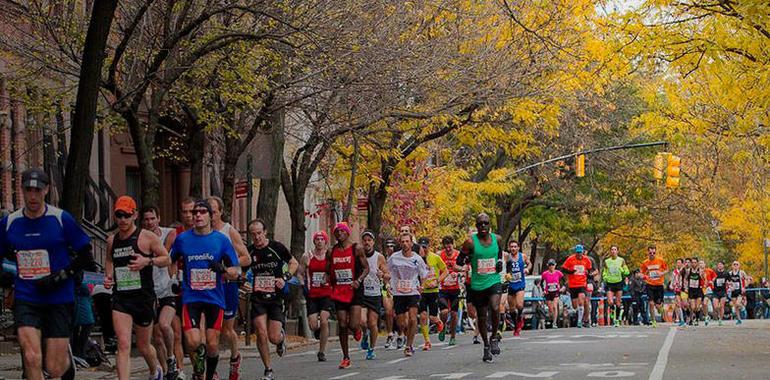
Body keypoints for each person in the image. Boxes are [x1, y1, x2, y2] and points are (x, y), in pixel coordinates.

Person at [0, 169, 96, 379]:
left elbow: (86, 257)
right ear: (22, 191)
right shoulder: (10, 223)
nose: (33, 195)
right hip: (27, 297)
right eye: (28, 190)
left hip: (58, 298)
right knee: (32, 357)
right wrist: (5, 278)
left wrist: (60, 276)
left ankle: (65, 360)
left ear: (46, 190)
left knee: (54, 367)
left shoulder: (61, 219)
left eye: (37, 190)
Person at [170, 200, 240, 380]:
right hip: (191, 297)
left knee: (212, 343)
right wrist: (174, 278)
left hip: (214, 298)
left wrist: (223, 270)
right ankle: (199, 356)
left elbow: (236, 270)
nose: (198, 215)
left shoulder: (221, 240)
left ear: (211, 216)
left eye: (202, 212)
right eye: (195, 213)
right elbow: (170, 260)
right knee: (193, 340)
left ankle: (209, 375)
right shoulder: (183, 239)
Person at [105, 196, 171, 380]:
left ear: (134, 215)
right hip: (121, 299)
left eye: (126, 215)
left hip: (143, 298)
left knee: (143, 346)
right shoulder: (112, 240)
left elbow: (167, 259)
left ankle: (154, 369)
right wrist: (108, 276)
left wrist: (147, 261)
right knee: (123, 344)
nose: (123, 220)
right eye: (119, 215)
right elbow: (109, 260)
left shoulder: (147, 237)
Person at [246, 218, 297, 380]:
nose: (257, 237)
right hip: (258, 297)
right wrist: (245, 283)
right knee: (260, 332)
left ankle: (281, 339)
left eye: (259, 233)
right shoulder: (249, 252)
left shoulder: (277, 247)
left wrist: (285, 277)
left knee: (273, 337)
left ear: (265, 232)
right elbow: (241, 272)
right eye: (253, 235)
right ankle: (268, 369)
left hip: (276, 297)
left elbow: (293, 262)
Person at [208, 197, 251, 380]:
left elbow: (246, 258)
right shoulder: (201, 233)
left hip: (227, 285)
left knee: (226, 330)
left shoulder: (229, 231)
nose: (209, 216)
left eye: (213, 212)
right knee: (211, 330)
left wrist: (227, 265)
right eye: (206, 212)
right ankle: (213, 370)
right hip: (208, 287)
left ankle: (235, 358)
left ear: (220, 212)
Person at [455, 213, 504, 362]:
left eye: (486, 223)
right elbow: (459, 260)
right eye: (480, 224)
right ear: (476, 227)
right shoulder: (470, 242)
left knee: (495, 307)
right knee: (481, 316)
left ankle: (494, 336)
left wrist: (500, 262)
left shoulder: (498, 239)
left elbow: (499, 253)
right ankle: (486, 345)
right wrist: (466, 261)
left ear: (490, 225)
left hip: (494, 279)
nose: (483, 226)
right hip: (477, 283)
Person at [141, 205, 181, 380]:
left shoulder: (169, 233)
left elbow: (166, 255)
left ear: (158, 218)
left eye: (152, 218)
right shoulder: (139, 238)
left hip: (167, 289)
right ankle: (166, 372)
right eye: (146, 219)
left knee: (165, 325)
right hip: (150, 291)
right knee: (156, 338)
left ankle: (171, 358)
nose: (150, 222)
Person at [329, 222, 370, 369]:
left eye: (341, 231)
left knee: (353, 324)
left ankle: (358, 330)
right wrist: (326, 280)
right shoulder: (331, 251)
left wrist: (358, 280)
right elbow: (329, 270)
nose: (339, 233)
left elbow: (366, 268)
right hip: (339, 291)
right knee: (342, 324)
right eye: (336, 232)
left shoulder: (356, 248)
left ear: (347, 233)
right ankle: (346, 357)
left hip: (354, 290)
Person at [388, 232, 430, 357]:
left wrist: (422, 286)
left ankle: (408, 346)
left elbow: (423, 274)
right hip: (398, 292)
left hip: (413, 291)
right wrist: (387, 284)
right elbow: (386, 270)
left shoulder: (417, 259)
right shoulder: (394, 258)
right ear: (400, 244)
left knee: (412, 318)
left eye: (407, 241)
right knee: (402, 323)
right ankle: (408, 336)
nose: (405, 244)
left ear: (412, 243)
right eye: (403, 241)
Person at [298, 230, 333, 361]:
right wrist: (303, 286)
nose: (319, 242)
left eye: (321, 239)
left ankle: (321, 352)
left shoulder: (329, 256)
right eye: (317, 239)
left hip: (326, 294)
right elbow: (300, 273)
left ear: (325, 242)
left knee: (324, 320)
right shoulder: (307, 256)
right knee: (313, 325)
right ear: (314, 241)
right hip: (312, 294)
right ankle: (319, 331)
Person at [358, 230, 389, 359]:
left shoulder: (379, 257)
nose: (367, 242)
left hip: (375, 293)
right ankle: (365, 334)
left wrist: (383, 275)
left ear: (373, 242)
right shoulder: (358, 256)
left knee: (372, 323)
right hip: (361, 293)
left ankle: (372, 348)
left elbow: (388, 274)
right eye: (364, 240)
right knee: (362, 321)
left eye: (369, 240)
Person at [417, 236, 446, 350]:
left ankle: (439, 323)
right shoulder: (416, 259)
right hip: (422, 291)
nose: (423, 249)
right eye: (421, 247)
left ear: (429, 246)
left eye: (425, 246)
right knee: (423, 316)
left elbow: (445, 271)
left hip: (433, 291)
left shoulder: (435, 257)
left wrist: (437, 281)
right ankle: (427, 341)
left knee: (433, 317)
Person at [561, 244, 593, 329]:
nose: (579, 254)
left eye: (580, 252)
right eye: (578, 253)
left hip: (582, 283)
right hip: (572, 285)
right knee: (575, 306)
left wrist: (589, 275)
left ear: (583, 252)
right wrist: (570, 272)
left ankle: (580, 321)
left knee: (581, 300)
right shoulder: (570, 259)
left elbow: (590, 270)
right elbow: (563, 269)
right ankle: (582, 316)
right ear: (576, 252)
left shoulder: (587, 260)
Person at [438, 236, 461, 345]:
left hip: (455, 288)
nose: (448, 249)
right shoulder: (440, 255)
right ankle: (442, 327)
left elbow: (464, 266)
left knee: (454, 314)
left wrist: (460, 273)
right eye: (446, 247)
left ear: (453, 245)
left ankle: (453, 336)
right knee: (444, 312)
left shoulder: (458, 255)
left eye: (450, 247)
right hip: (443, 288)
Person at [639, 245, 668, 327]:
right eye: (650, 252)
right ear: (648, 252)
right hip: (650, 285)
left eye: (654, 253)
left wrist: (661, 273)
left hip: (659, 285)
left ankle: (660, 309)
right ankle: (653, 321)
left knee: (658, 306)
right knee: (651, 303)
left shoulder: (660, 260)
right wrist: (645, 276)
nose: (652, 254)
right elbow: (641, 273)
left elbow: (666, 269)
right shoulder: (645, 262)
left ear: (656, 252)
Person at [506, 240, 530, 336]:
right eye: (511, 247)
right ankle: (516, 326)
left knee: (519, 305)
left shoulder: (523, 256)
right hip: (510, 284)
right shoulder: (507, 257)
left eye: (515, 246)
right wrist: (506, 275)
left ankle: (520, 317)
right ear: (509, 248)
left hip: (520, 283)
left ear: (518, 248)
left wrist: (527, 268)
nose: (513, 248)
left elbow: (529, 263)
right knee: (511, 309)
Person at [602, 246, 629, 327]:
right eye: (612, 250)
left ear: (617, 251)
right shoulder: (607, 261)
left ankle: (616, 320)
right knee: (610, 301)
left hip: (619, 283)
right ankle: (612, 310)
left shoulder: (621, 260)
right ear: (610, 251)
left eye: (615, 250)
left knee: (618, 303)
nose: (613, 251)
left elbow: (627, 272)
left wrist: (623, 271)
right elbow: (605, 271)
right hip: (610, 283)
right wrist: (605, 277)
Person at [380, 237, 398, 349]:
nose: (389, 248)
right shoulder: (382, 258)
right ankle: (390, 333)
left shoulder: (399, 258)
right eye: (387, 246)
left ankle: (401, 334)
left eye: (392, 246)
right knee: (388, 312)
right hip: (386, 287)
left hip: (399, 288)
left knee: (399, 315)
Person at [541, 259, 563, 328]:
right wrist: (543, 290)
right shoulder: (545, 274)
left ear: (555, 265)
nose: (551, 266)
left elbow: (564, 281)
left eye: (552, 265)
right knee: (550, 309)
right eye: (550, 265)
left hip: (556, 292)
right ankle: (552, 318)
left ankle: (554, 323)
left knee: (554, 306)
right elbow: (541, 283)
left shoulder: (558, 273)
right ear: (548, 265)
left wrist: (563, 287)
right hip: (548, 292)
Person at [681, 257, 704, 326]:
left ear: (697, 263)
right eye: (692, 262)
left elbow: (704, 279)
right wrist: (685, 288)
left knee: (697, 307)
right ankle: (693, 318)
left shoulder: (700, 270)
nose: (693, 264)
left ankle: (697, 319)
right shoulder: (688, 271)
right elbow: (685, 279)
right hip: (691, 290)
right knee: (693, 307)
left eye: (695, 262)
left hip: (698, 290)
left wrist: (701, 276)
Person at [728, 261, 748, 325]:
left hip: (740, 291)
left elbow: (747, 279)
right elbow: (727, 281)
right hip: (733, 291)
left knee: (737, 303)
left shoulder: (742, 272)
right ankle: (739, 319)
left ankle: (743, 308)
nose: (735, 265)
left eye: (737, 264)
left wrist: (744, 287)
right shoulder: (730, 273)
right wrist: (730, 286)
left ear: (739, 266)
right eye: (734, 264)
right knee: (735, 306)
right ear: (732, 266)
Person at [670, 258, 686, 327]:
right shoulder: (674, 272)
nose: (678, 264)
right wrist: (671, 285)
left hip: (684, 289)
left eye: (679, 262)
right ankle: (681, 320)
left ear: (682, 263)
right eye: (677, 263)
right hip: (677, 289)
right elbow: (672, 280)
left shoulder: (684, 271)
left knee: (685, 304)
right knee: (678, 304)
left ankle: (688, 317)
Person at [711, 261, 729, 326]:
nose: (720, 266)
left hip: (723, 291)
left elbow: (729, 281)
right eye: (719, 264)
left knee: (721, 306)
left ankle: (720, 319)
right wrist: (711, 282)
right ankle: (719, 314)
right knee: (716, 307)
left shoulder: (726, 273)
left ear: (723, 266)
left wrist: (729, 283)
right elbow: (711, 279)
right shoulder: (714, 273)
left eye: (721, 264)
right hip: (715, 291)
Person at [701, 259, 716, 325]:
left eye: (702, 263)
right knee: (703, 305)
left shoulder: (709, 270)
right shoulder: (697, 272)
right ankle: (706, 315)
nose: (701, 264)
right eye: (700, 263)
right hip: (700, 289)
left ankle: (709, 316)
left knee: (705, 303)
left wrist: (712, 281)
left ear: (705, 264)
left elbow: (715, 276)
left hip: (708, 289)